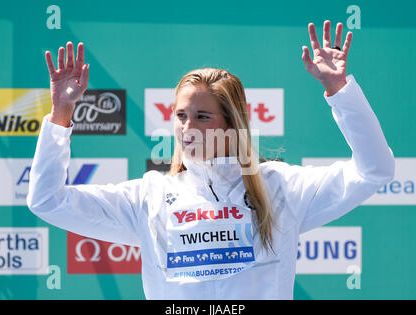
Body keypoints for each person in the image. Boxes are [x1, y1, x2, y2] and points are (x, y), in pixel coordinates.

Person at [27, 20, 395, 299]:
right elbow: (47, 201)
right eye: (181, 115)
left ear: (232, 123)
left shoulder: (279, 187)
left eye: (203, 117)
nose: (188, 127)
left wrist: (340, 91)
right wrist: (60, 114)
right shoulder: (149, 196)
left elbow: (375, 169)